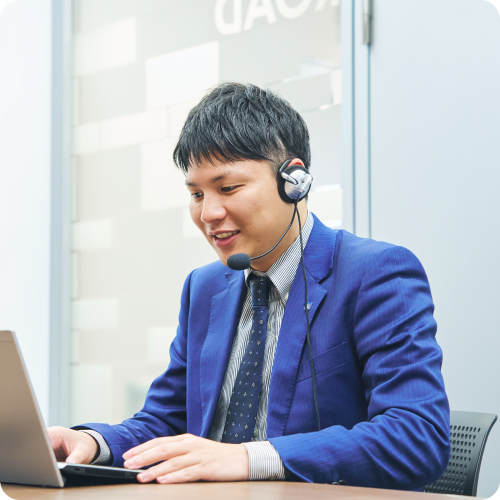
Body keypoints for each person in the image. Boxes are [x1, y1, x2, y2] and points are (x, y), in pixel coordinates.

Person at [48, 83, 450, 489]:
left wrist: (249, 458)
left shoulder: (375, 272)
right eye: (196, 194)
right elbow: (167, 421)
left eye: (227, 188)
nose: (208, 213)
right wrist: (92, 443)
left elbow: (416, 436)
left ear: (293, 181)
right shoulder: (204, 287)